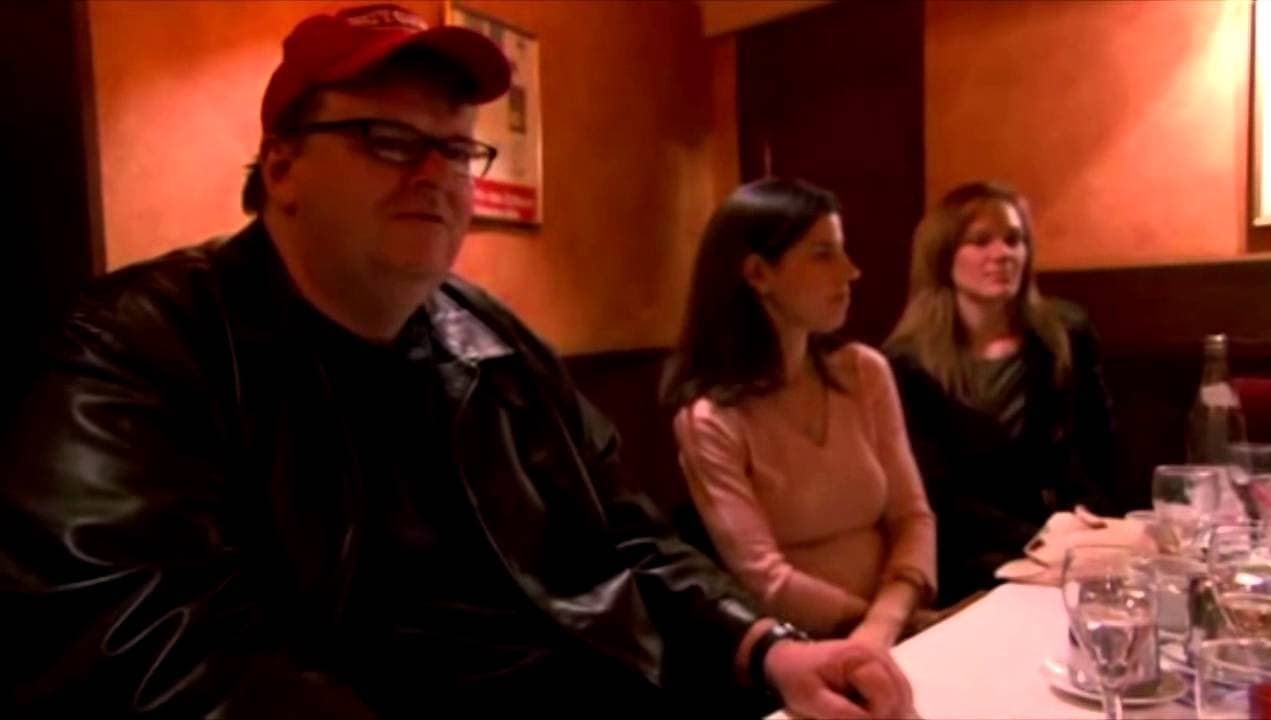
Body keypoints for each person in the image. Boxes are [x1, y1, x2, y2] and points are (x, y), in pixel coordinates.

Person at [0, 5, 916, 718]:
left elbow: (627, 535)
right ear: (281, 167)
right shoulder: (140, 345)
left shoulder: (492, 338)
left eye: (453, 148)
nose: (434, 174)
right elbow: (138, 651)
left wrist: (770, 648)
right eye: (389, 141)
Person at [662, 178, 936, 647]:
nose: (851, 271)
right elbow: (764, 578)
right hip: (801, 649)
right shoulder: (711, 420)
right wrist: (874, 629)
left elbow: (913, 517)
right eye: (823, 254)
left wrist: (887, 621)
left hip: (899, 624)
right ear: (758, 274)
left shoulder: (864, 372)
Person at [883, 180, 1119, 606]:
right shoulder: (906, 363)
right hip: (971, 558)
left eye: (1014, 240)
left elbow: (1100, 448)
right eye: (980, 241)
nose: (1002, 254)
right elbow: (935, 495)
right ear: (943, 256)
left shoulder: (1065, 333)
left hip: (1075, 543)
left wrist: (1088, 516)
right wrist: (1039, 537)